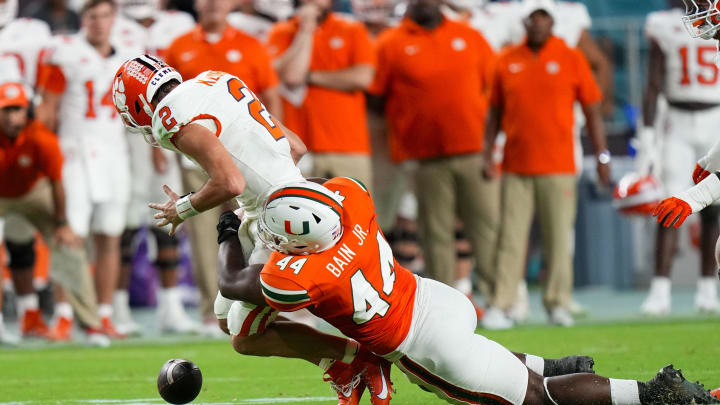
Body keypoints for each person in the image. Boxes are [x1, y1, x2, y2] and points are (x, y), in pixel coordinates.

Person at [224, 176, 718, 405]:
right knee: (489, 361)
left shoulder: (294, 275)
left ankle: (653, 393)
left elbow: (234, 283)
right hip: (437, 299)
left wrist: (229, 232)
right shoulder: (351, 198)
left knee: (536, 400)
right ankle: (558, 364)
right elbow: (317, 191)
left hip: (420, 343)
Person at [111, 56, 388, 403]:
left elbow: (229, 180)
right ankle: (351, 358)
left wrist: (182, 208)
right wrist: (257, 196)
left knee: (244, 337)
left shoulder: (169, 116)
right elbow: (296, 147)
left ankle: (354, 361)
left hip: (282, 218)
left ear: (138, 105)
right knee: (227, 319)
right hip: (285, 203)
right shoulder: (215, 78)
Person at [481, 0, 610, 329]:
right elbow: (494, 113)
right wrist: (487, 154)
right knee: (510, 240)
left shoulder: (571, 57)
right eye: (532, 18)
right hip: (515, 166)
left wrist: (601, 157)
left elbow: (593, 110)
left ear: (552, 22)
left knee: (558, 239)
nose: (537, 23)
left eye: (543, 17)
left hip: (559, 165)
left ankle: (558, 303)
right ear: (524, 22)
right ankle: (501, 303)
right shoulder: (506, 59)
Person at [368, 0, 498, 314]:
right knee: (434, 232)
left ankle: (501, 300)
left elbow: (494, 90)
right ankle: (448, 306)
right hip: (421, 155)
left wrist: (491, 146)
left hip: (472, 149)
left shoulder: (470, 36)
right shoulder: (390, 43)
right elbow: (374, 97)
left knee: (487, 225)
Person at [163, 0, 283, 331]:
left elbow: (270, 97)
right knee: (204, 232)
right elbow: (166, 108)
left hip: (246, 156)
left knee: (258, 224)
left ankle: (263, 303)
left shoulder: (250, 44)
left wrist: (275, 145)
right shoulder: (180, 45)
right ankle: (209, 306)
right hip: (199, 154)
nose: (213, 3)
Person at [36, 0, 142, 339]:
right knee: (71, 236)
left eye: (105, 16)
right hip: (74, 152)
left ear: (115, 19)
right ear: (83, 19)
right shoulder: (64, 53)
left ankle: (104, 314)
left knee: (110, 235)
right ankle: (65, 315)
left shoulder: (129, 57)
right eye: (92, 16)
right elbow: (47, 110)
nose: (98, 23)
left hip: (114, 152)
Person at [111, 0, 199, 336]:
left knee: (168, 218)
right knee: (128, 222)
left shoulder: (177, 26)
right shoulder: (115, 25)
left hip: (169, 126)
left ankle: (170, 306)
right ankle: (117, 307)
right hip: (127, 134)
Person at [0, 81, 109, 346]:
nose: (13, 117)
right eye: (6, 110)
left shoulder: (41, 137)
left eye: (18, 109)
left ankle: (91, 324)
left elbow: (57, 183)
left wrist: (62, 224)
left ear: (28, 111)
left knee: (69, 247)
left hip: (34, 192)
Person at [639, 0, 720, 316]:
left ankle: (707, 290)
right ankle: (660, 290)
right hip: (679, 120)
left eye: (704, 6)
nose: (697, 15)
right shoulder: (666, 25)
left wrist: (694, 197)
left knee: (710, 210)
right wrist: (712, 160)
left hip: (712, 118)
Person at [267, 0, 376, 188]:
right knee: (299, 214)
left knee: (355, 214)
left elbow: (362, 78)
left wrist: (309, 76)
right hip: (297, 147)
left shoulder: (352, 29)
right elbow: (292, 77)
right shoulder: (281, 31)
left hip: (348, 145)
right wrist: (305, 31)